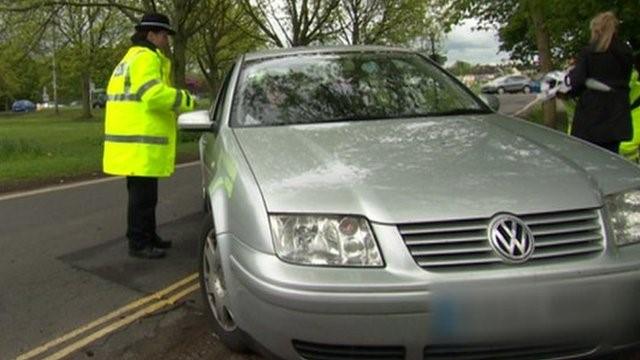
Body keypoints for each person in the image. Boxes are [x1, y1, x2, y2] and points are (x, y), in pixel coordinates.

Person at [103, 13, 195, 259]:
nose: (166, 41)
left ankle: (148, 236)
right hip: (140, 141)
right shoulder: (146, 58)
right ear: (151, 34)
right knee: (142, 198)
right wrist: (186, 100)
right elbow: (153, 95)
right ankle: (139, 243)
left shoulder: (130, 58)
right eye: (164, 35)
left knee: (144, 196)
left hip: (131, 141)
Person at [567, 11, 633, 153]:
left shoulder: (589, 52)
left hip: (592, 117)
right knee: (612, 157)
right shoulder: (626, 52)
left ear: (596, 30)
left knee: (590, 159)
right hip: (617, 114)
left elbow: (577, 82)